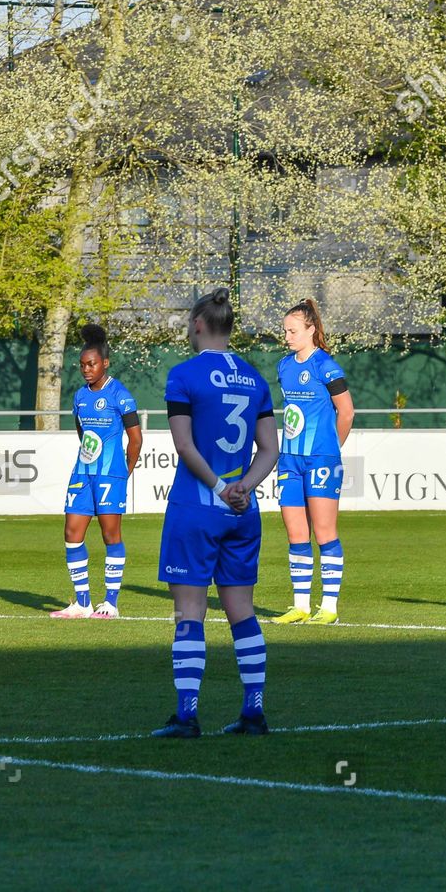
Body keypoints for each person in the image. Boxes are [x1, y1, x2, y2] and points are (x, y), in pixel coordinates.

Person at [151, 290, 280, 738]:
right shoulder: (254, 377)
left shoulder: (183, 375)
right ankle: (253, 711)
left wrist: (221, 488)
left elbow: (184, 446)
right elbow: (270, 451)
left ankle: (186, 716)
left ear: (199, 324)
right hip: (243, 512)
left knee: (189, 613)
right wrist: (244, 486)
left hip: (198, 507)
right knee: (242, 612)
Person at [270, 298, 355, 625]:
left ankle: (329, 607)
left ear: (311, 330)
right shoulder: (284, 366)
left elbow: (346, 412)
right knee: (296, 534)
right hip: (290, 460)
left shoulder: (326, 366)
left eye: (293, 331)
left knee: (324, 531)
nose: (287, 336)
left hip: (321, 459)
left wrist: (331, 449)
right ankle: (301, 605)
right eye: (285, 331)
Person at [52, 323, 143, 619]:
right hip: (83, 472)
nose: (86, 369)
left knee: (110, 535)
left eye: (91, 364)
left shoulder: (120, 395)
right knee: (72, 532)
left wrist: (123, 472)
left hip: (110, 475)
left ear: (105, 363)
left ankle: (111, 603)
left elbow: (136, 439)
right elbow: (82, 432)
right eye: (82, 365)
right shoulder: (79, 397)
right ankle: (82, 602)